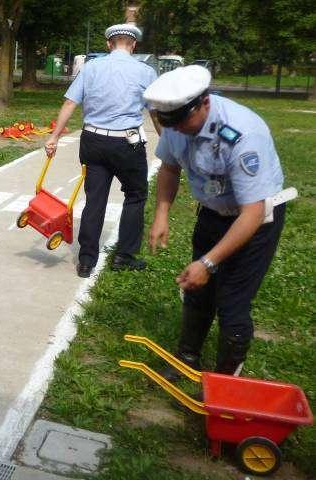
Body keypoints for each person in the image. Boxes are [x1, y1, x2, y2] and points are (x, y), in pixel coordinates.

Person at [145, 66, 289, 377]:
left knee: (233, 301)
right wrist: (161, 215)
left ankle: (226, 381)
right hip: (213, 213)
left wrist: (208, 263)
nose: (178, 129)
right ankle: (187, 358)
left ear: (205, 103)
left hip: (256, 221)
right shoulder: (175, 124)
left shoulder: (242, 134)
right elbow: (169, 168)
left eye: (183, 121)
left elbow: (252, 211)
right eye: (170, 123)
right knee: (198, 291)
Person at [45, 24, 159, 278]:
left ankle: (86, 260)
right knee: (135, 195)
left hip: (93, 140)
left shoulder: (91, 68)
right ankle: (124, 256)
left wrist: (53, 137)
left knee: (95, 199)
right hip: (126, 144)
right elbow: (155, 111)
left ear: (109, 44)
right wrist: (167, 141)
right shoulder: (146, 72)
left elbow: (70, 103)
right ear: (134, 45)